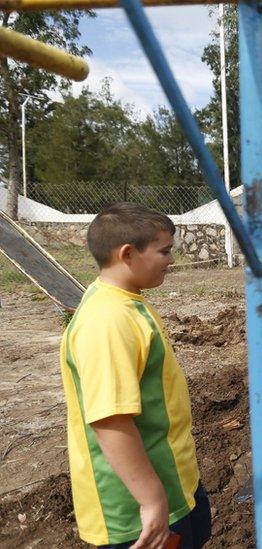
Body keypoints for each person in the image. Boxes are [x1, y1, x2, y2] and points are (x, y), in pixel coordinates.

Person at [59, 202, 210, 548]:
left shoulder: (127, 301)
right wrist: (151, 499)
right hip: (135, 512)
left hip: (171, 483)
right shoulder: (107, 321)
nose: (171, 259)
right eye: (165, 251)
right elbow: (110, 419)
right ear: (127, 253)